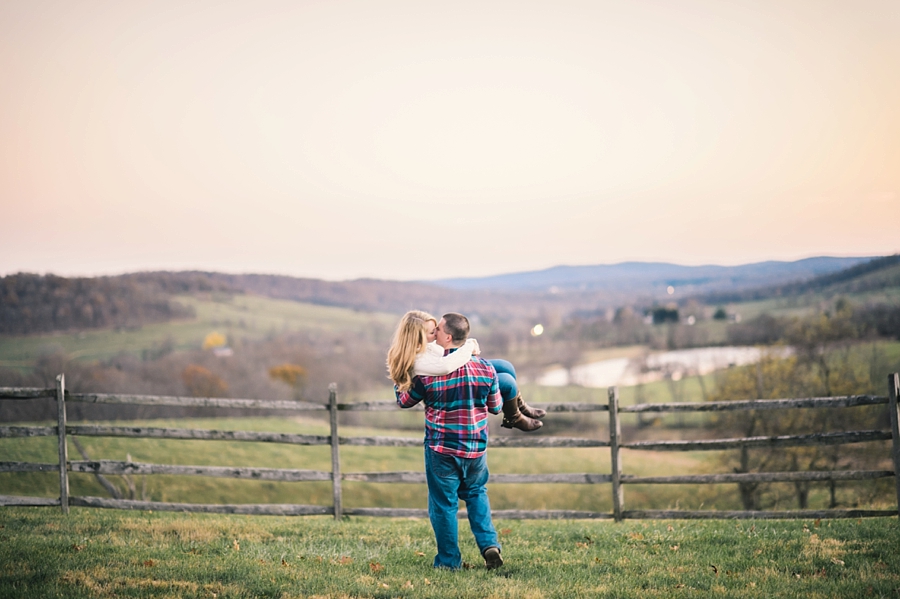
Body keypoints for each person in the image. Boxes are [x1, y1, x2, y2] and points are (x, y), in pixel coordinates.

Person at [394, 312, 504, 570]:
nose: (434, 335)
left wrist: (401, 373)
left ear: (448, 336)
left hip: (441, 447)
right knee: (477, 493)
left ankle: (448, 562)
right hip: (475, 447)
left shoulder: (426, 371)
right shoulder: (485, 367)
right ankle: (489, 545)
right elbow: (496, 407)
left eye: (438, 330)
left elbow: (404, 401)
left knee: (444, 505)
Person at [386, 310, 545, 431]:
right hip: (442, 382)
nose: (436, 334)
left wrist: (464, 347)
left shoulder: (422, 345)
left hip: (447, 370)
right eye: (432, 332)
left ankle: (520, 408)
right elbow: (445, 366)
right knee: (506, 381)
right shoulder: (417, 360)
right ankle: (514, 418)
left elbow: (446, 353)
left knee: (505, 367)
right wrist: (468, 346)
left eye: (436, 329)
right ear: (418, 336)